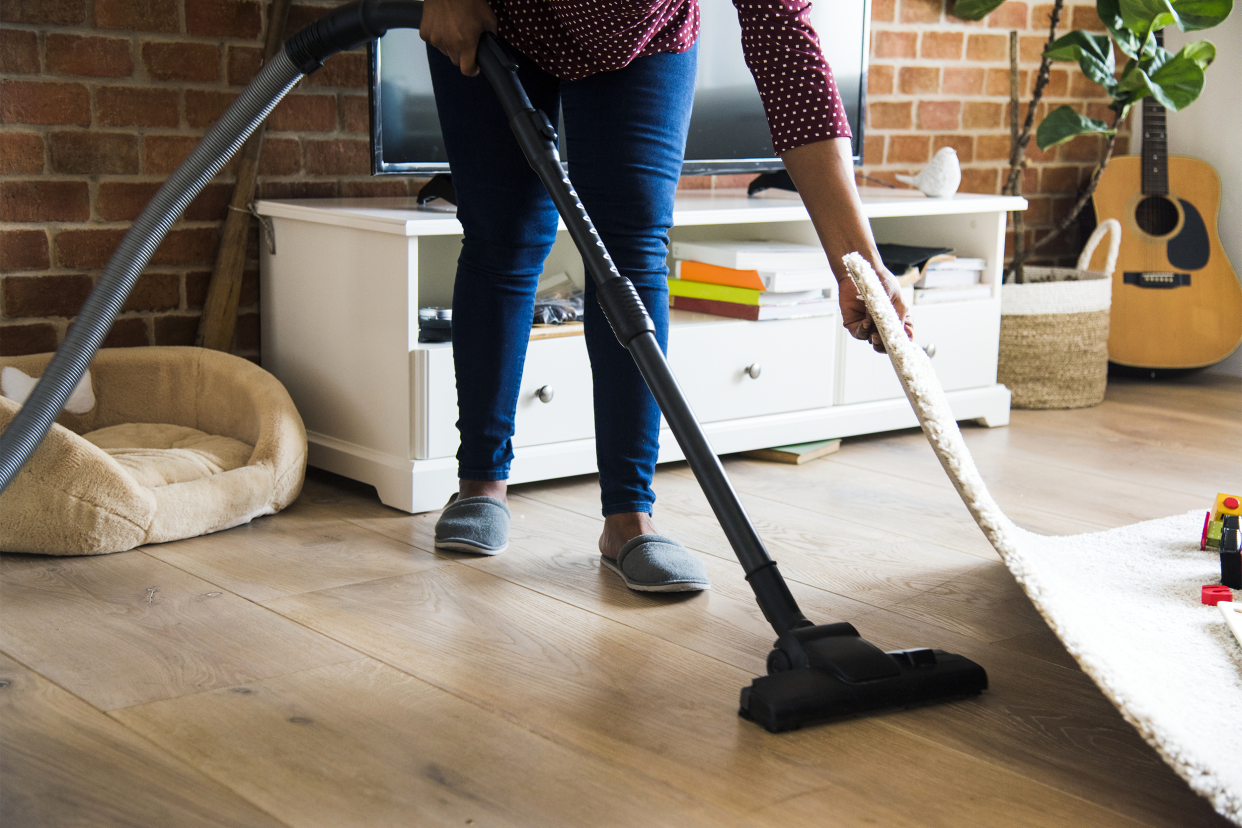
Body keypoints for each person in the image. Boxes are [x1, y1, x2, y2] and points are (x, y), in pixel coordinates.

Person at [423, 0, 912, 592]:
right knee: (504, 235)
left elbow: (789, 59)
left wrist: (855, 263)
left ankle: (629, 518)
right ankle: (480, 483)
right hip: (500, 14)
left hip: (641, 35)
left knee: (629, 250)